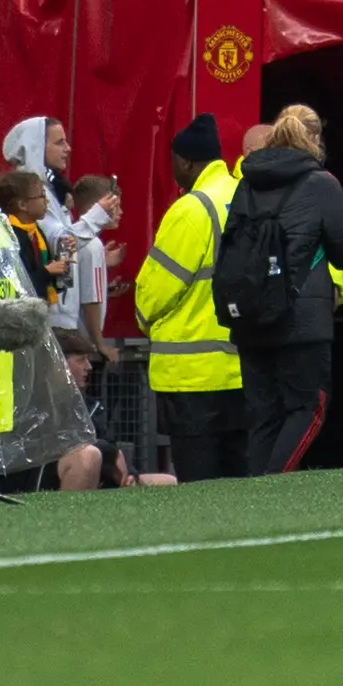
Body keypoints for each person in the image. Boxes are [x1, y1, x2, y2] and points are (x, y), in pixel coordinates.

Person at [225, 105, 343, 476]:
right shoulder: (321, 183)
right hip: (300, 315)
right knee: (308, 408)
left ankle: (256, 493)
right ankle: (273, 485)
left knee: (264, 414)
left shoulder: (247, 181)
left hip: (250, 312)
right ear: (313, 139)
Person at [132, 115, 249, 479]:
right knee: (243, 484)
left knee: (199, 488)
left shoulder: (191, 209)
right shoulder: (244, 196)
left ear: (185, 161)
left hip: (192, 378)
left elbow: (153, 292)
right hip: (245, 370)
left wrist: (143, 319)